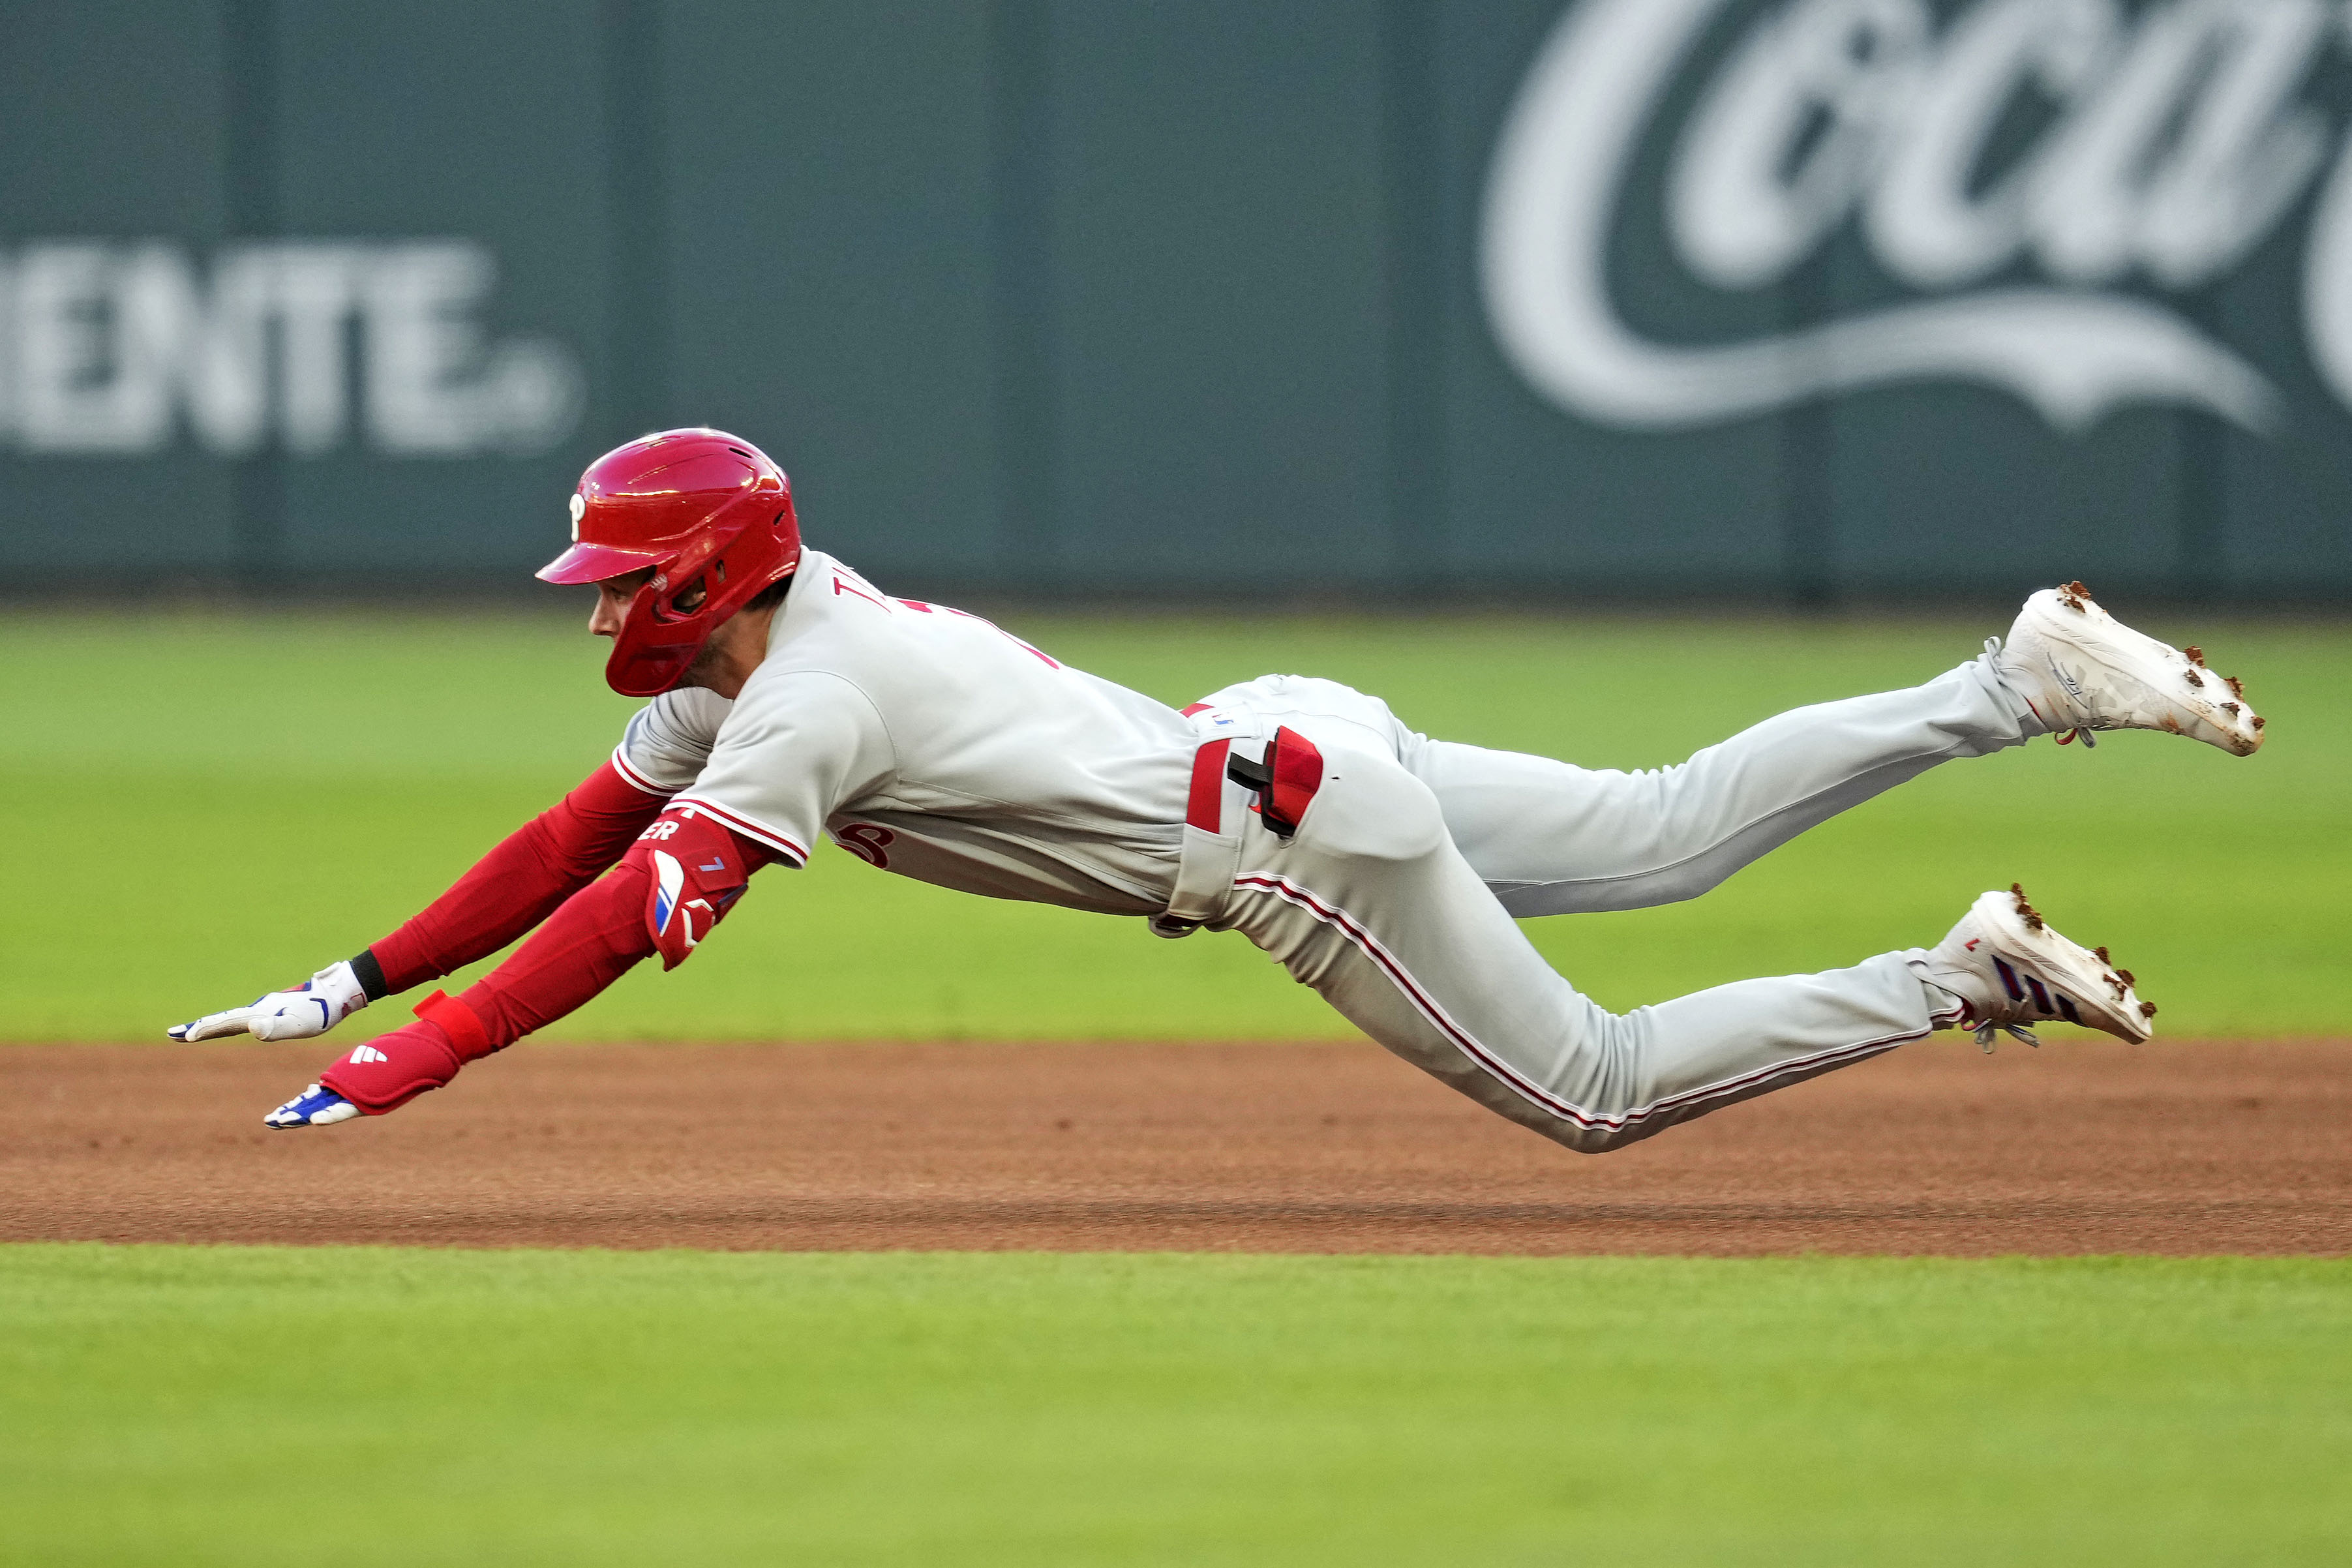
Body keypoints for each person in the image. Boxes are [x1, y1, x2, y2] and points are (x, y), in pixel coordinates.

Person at [169, 429, 2266, 1152]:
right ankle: (2006, 682)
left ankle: (1956, 975)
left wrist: (408, 1066)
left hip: (1285, 837)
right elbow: (577, 837)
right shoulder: (773, 654)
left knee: (1602, 1086)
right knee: (1660, 824)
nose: (598, 605)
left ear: (702, 575)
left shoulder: (802, 698)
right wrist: (353, 974)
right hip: (1286, 727)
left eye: (621, 575)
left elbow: (634, 915)